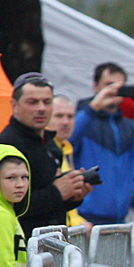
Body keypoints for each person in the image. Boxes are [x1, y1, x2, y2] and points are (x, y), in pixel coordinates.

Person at [0, 73, 90, 235]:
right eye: (33, 102)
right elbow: (7, 205)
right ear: (15, 105)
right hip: (20, 247)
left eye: (47, 102)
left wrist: (73, 195)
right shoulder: (8, 145)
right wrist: (57, 192)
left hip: (51, 244)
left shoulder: (49, 141)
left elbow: (49, 199)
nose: (41, 108)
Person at [70, 62, 134, 225]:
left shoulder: (128, 126)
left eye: (120, 87)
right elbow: (68, 141)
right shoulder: (83, 120)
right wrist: (93, 107)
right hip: (84, 220)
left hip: (119, 219)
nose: (114, 91)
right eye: (108, 85)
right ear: (95, 87)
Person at [45, 95, 88, 228]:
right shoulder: (44, 149)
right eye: (59, 116)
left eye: (70, 116)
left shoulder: (66, 148)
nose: (65, 122)